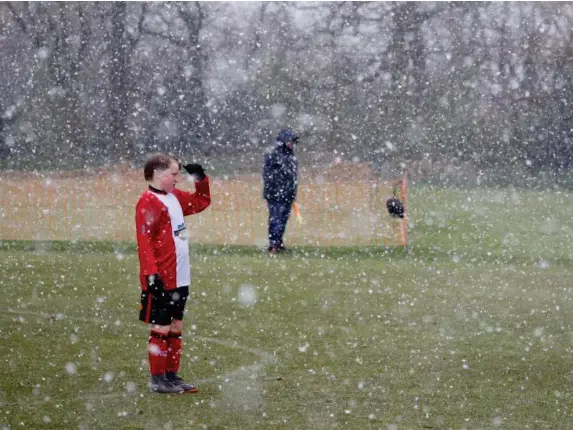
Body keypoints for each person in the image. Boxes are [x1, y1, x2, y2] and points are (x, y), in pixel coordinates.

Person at [135, 153, 211, 393]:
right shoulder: (148, 201)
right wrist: (150, 273)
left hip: (181, 274)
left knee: (176, 325)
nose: (178, 179)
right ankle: (157, 380)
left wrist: (200, 179)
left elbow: (201, 202)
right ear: (158, 174)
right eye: (174, 174)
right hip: (162, 275)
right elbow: (144, 239)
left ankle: (172, 375)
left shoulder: (174, 196)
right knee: (162, 326)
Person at [262, 129, 299, 254]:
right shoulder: (273, 154)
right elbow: (267, 175)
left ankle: (279, 241)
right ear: (283, 141)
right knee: (275, 218)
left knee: (283, 219)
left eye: (293, 142)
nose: (291, 144)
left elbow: (293, 176)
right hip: (275, 194)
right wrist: (279, 185)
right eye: (290, 141)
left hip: (287, 194)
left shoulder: (291, 156)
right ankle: (273, 244)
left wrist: (292, 192)